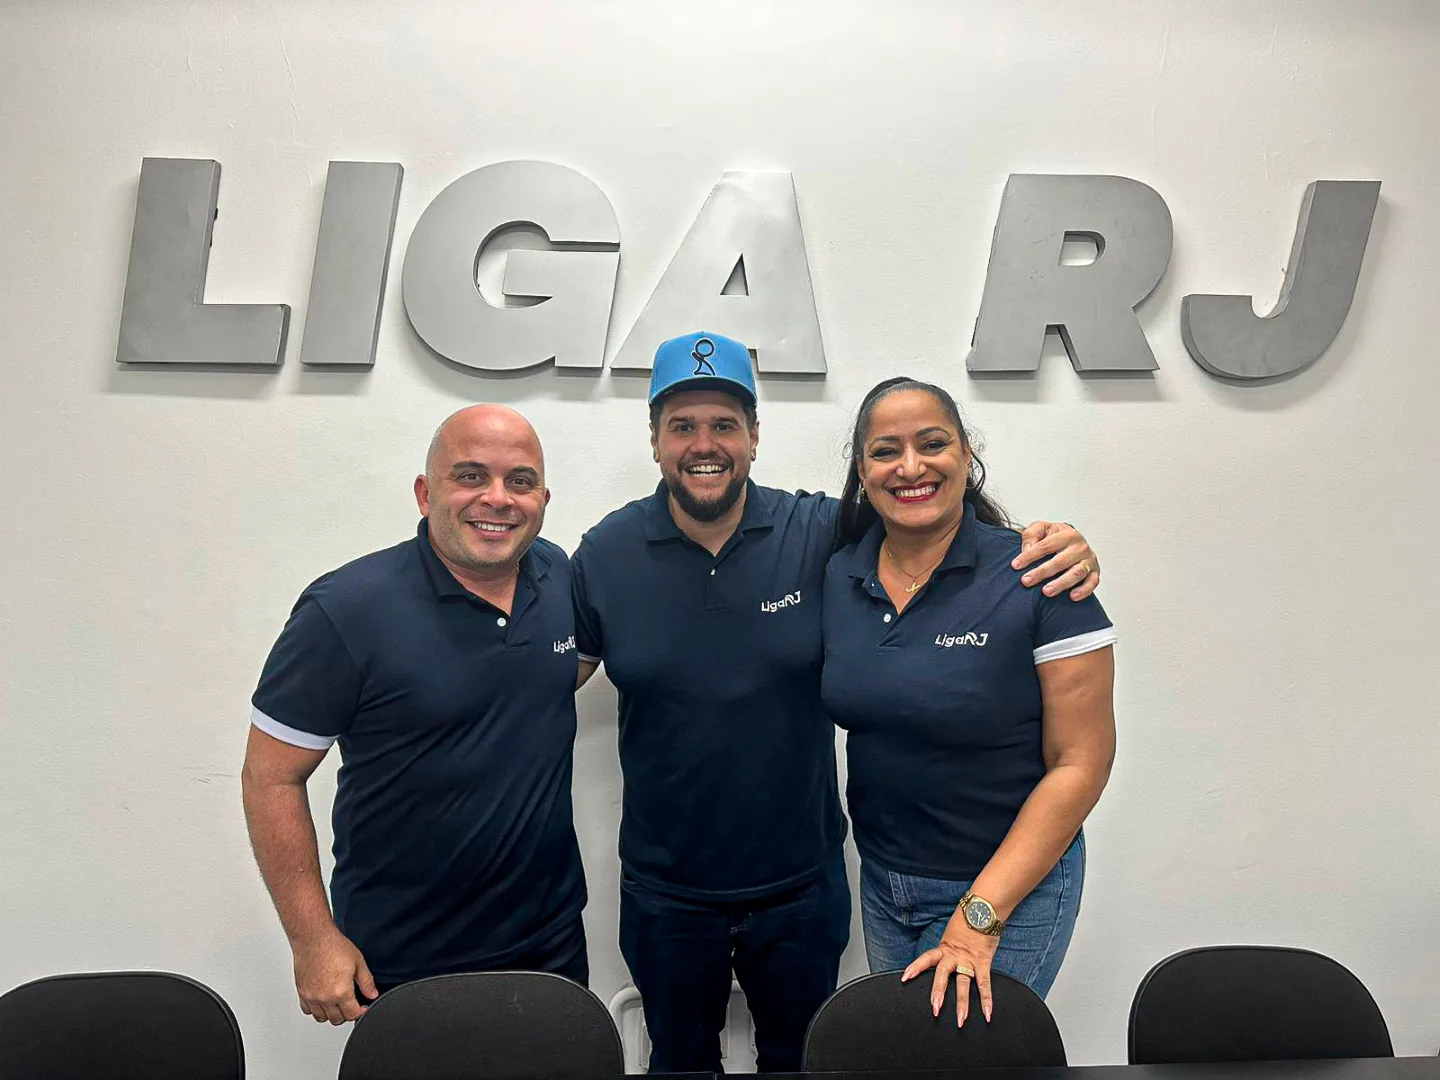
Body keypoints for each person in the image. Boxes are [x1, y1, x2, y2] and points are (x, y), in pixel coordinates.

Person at [570, 332, 1103, 1071]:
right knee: (679, 1063)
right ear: (655, 439)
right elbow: (550, 671)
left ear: (755, 436)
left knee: (810, 1063)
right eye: (682, 426)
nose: (705, 444)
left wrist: (1060, 541)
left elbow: (927, 516)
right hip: (665, 889)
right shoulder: (605, 552)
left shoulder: (819, 532)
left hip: (800, 885)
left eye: (725, 424)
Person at [241, 405, 587, 1026]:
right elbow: (270, 778)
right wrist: (312, 939)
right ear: (426, 494)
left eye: (520, 481)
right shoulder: (345, 610)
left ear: (543, 499)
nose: (497, 498)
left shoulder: (558, 577)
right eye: (471, 476)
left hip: (551, 946)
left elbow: (546, 676)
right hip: (404, 958)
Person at [822, 376, 1117, 1028]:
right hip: (885, 883)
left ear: (966, 453)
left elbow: (1082, 763)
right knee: (900, 1057)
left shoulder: (1039, 575)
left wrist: (980, 916)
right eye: (885, 451)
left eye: (933, 444)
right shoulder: (841, 573)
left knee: (962, 1062)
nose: (911, 467)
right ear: (862, 472)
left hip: (1005, 889)